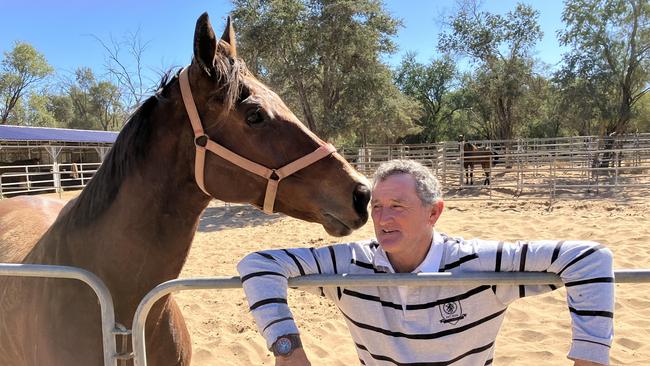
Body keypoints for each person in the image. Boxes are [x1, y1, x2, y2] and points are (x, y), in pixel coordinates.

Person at [238, 159, 614, 366]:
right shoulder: (351, 263)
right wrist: (288, 352)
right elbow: (259, 263)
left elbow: (588, 258)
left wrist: (589, 357)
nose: (383, 219)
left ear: (434, 213)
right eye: (378, 207)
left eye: (397, 207)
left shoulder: (479, 263)